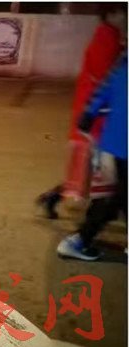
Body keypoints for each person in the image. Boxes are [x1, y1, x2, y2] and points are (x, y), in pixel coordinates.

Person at [36, 4, 125, 219]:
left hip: (99, 112)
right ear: (111, 14)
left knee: (95, 171)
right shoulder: (106, 37)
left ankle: (57, 198)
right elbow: (106, 80)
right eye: (124, 13)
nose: (126, 18)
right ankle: (92, 219)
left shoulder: (112, 36)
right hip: (98, 114)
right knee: (98, 171)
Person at [57, 52, 127, 261]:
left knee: (112, 197)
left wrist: (89, 113)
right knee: (113, 199)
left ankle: (80, 240)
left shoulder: (122, 67)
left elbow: (102, 92)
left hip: (111, 145)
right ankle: (80, 240)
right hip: (118, 146)